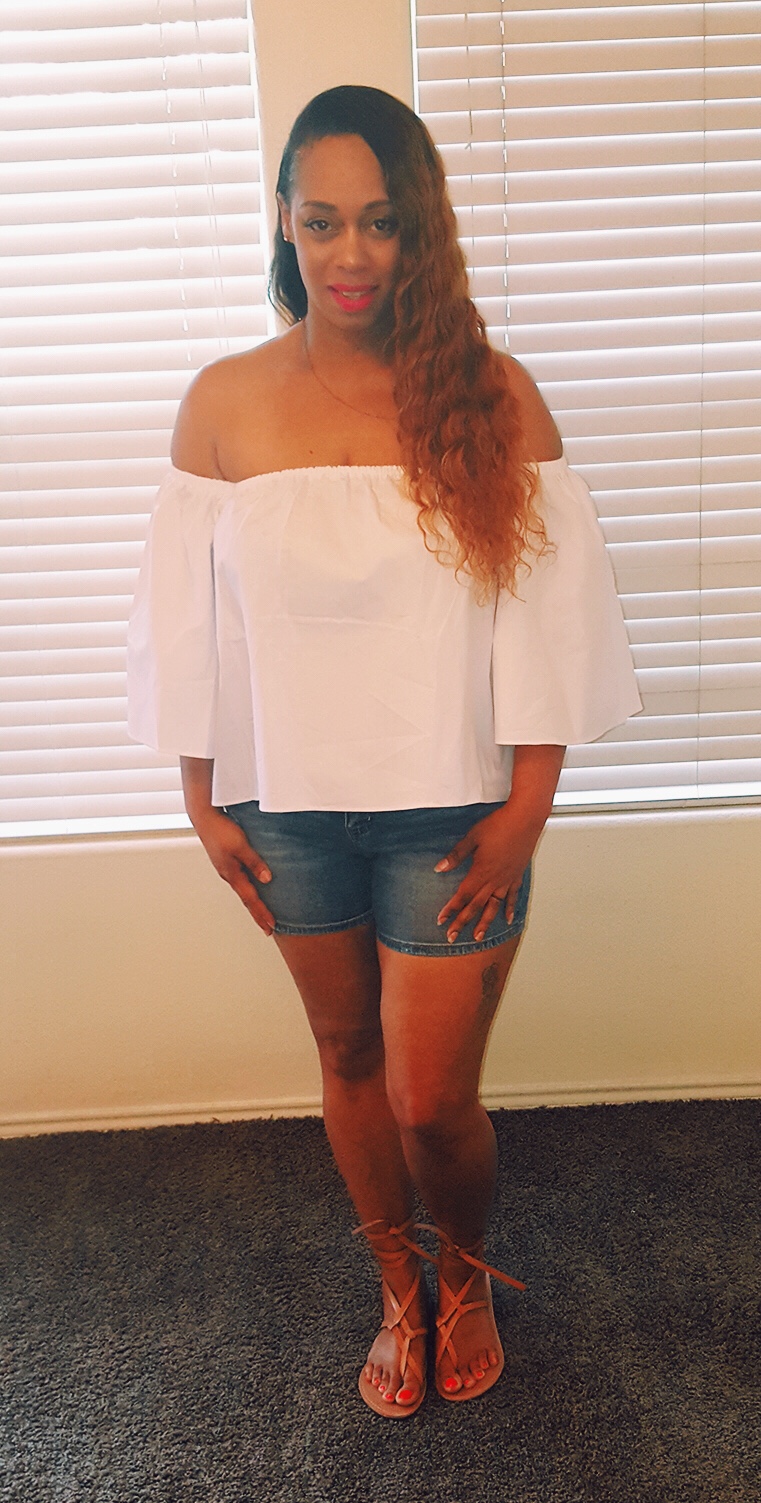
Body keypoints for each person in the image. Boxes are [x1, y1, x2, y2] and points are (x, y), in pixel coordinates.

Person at [127, 85, 641, 1418]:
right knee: (346, 1056)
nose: (349, 255)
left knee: (427, 1099)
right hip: (284, 810)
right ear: (283, 224)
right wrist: (200, 801)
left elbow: (547, 621)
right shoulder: (224, 404)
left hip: (453, 813)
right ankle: (396, 1286)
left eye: (380, 222)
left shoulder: (493, 395)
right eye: (322, 222)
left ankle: (462, 1269)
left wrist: (527, 811)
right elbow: (188, 629)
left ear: (421, 230)